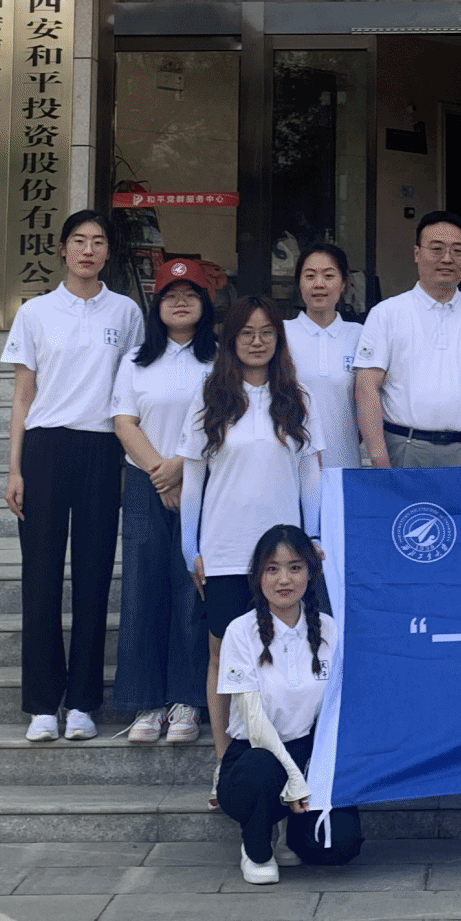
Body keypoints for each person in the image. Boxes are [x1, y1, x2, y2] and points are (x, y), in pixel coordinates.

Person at [2, 209, 143, 744]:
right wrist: (14, 467)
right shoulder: (35, 312)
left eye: (98, 241)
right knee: (40, 576)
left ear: (108, 252)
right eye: (79, 241)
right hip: (45, 447)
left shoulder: (126, 312)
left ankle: (83, 701)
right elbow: (23, 396)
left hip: (102, 449)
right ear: (62, 249)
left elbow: (133, 393)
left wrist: (131, 463)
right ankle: (42, 703)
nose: (88, 250)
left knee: (93, 576)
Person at [181, 297, 321, 768]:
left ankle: (285, 761)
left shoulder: (298, 397)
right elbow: (193, 477)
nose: (257, 342)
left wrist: (313, 536)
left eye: (266, 333)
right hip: (224, 549)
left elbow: (311, 473)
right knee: (222, 656)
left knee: (281, 651)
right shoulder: (210, 396)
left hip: (281, 555)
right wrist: (189, 547)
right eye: (246, 333)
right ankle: (227, 765)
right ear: (231, 340)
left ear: (279, 339)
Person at [215, 524, 364, 884]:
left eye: (295, 567)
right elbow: (254, 723)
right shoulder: (240, 632)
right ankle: (257, 848)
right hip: (255, 755)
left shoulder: (329, 629)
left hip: (309, 753)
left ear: (311, 572)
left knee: (339, 847)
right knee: (260, 770)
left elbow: (335, 712)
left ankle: (290, 833)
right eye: (272, 569)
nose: (284, 579)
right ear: (258, 575)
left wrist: (314, 773)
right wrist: (295, 780)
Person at [110, 259, 216, 746]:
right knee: (143, 587)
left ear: (205, 304)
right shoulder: (136, 359)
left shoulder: (219, 358)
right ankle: (146, 701)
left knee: (193, 588)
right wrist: (160, 473)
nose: (180, 302)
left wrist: (181, 467)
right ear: (156, 305)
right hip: (145, 483)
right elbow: (124, 422)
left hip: (203, 481)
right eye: (171, 294)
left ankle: (187, 700)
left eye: (190, 294)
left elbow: (224, 418)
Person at [353, 212, 461, 469]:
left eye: (457, 250)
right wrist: (379, 459)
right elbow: (366, 387)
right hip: (404, 448)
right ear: (417, 253)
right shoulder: (387, 314)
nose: (447, 258)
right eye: (437, 249)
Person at [284, 243, 364, 470]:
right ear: (299, 283)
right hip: (290, 466)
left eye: (329, 276)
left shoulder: (360, 335)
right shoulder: (281, 333)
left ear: (344, 283)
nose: (319, 284)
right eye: (310, 276)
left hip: (345, 463)